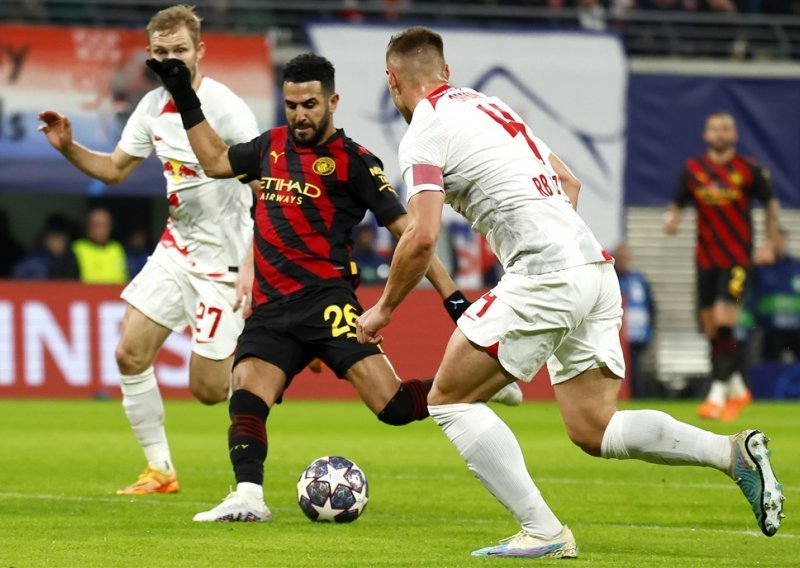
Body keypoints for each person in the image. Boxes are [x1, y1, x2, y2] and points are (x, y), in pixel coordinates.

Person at [356, 27, 784, 558]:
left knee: (448, 400)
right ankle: (730, 452)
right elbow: (571, 185)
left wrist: (383, 309)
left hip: (548, 273)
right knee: (594, 428)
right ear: (446, 71)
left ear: (392, 80)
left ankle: (544, 530)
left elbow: (420, 235)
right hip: (593, 268)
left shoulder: (425, 127)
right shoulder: (490, 107)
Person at [147, 51, 522, 522]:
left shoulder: (354, 162)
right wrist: (184, 93)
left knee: (395, 407)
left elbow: (413, 236)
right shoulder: (270, 147)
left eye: (309, 104)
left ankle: (479, 384)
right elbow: (216, 159)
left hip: (328, 304)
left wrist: (454, 303)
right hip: (272, 308)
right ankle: (248, 496)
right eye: (291, 105)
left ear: (332, 101)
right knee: (245, 388)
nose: (300, 115)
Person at [38, 5, 260, 495]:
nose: (171, 60)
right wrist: (68, 147)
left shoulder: (227, 108)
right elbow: (116, 170)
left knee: (207, 392)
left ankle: (274, 349)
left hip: (225, 263)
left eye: (179, 51)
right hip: (176, 250)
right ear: (149, 56)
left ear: (200, 51)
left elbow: (268, 186)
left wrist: (252, 263)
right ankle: (160, 470)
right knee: (129, 352)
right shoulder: (150, 107)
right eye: (161, 53)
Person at [664, 111, 782, 421]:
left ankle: (716, 393)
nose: (719, 134)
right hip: (705, 258)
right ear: (706, 135)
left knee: (723, 318)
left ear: (734, 135)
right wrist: (672, 217)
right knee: (711, 328)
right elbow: (678, 200)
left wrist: (770, 243)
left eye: (725, 129)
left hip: (736, 258)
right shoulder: (693, 170)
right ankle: (738, 388)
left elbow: (770, 203)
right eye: (714, 129)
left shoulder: (749, 170)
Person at [613, 242, 656, 398]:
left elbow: (651, 307)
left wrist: (650, 330)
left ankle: (637, 396)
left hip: (638, 334)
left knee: (637, 369)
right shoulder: (611, 278)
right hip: (618, 335)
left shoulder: (639, 279)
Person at [752, 227, 800, 362]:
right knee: (769, 367)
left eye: (782, 240)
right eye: (775, 240)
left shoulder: (796, 266)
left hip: (796, 328)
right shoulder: (760, 268)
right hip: (771, 329)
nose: (779, 244)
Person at [12, 215, 80, 280]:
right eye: (55, 237)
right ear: (45, 240)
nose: (59, 242)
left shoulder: (72, 261)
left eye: (63, 238)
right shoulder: (31, 264)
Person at [71, 206, 128, 284]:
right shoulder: (77, 248)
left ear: (110, 227)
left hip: (115, 294)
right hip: (85, 294)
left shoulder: (117, 248)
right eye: (95, 224)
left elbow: (124, 278)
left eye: (103, 224)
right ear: (88, 226)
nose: (99, 229)